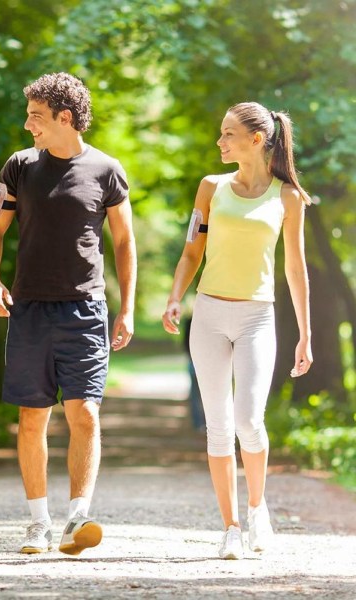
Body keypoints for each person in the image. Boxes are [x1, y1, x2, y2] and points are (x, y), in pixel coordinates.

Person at [0, 72, 136, 555]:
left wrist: (127, 307)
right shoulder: (19, 167)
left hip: (85, 308)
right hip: (29, 309)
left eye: (35, 117)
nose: (28, 125)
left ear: (64, 118)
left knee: (85, 413)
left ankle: (77, 519)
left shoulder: (107, 170)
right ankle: (38, 524)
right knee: (32, 418)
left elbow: (125, 242)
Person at [162, 102, 312, 560]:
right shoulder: (211, 188)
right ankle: (229, 526)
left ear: (256, 139)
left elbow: (295, 268)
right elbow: (192, 251)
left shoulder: (287, 197)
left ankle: (256, 509)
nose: (219, 142)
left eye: (228, 134)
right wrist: (174, 296)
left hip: (257, 318)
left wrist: (306, 334)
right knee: (218, 426)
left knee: (249, 419)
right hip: (208, 315)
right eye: (220, 133)